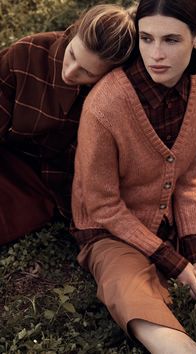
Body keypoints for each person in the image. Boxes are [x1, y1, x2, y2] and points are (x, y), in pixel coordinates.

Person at [71, 0, 196, 353]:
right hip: (112, 229)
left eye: (171, 40)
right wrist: (175, 262)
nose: (156, 54)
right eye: (146, 39)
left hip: (177, 204)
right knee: (127, 289)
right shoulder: (105, 103)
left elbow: (189, 177)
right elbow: (103, 206)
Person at [0, 4, 136, 246]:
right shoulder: (26, 53)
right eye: (72, 54)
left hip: (43, 185)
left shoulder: (112, 97)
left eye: (87, 72)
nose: (71, 72)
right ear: (73, 33)